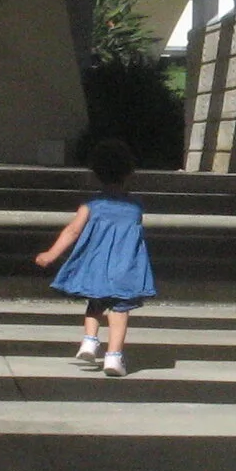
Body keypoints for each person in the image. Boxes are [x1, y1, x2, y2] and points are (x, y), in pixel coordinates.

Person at [34, 138, 157, 378]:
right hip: (125, 265)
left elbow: (73, 231)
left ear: (96, 174)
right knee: (120, 308)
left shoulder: (92, 205)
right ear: (129, 173)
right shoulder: (136, 205)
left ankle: (89, 341)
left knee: (96, 301)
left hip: (97, 262)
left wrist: (51, 254)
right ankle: (114, 356)